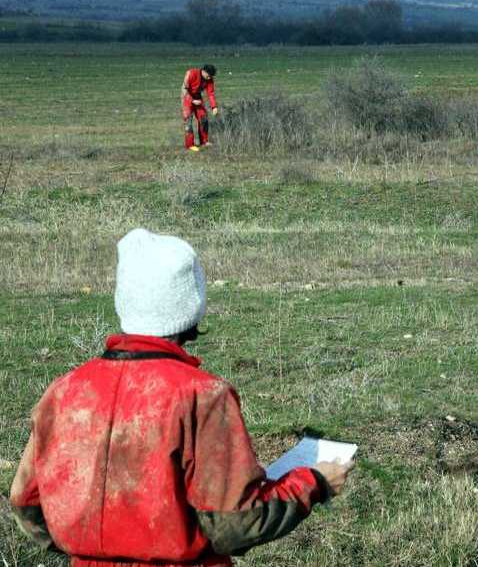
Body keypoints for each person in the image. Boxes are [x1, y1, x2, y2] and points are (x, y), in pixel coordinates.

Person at [9, 228, 353, 567]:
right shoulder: (203, 396)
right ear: (192, 305)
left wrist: (93, 545)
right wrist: (313, 483)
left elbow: (26, 501)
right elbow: (234, 523)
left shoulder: (64, 390)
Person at [182, 64, 219, 152]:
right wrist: (192, 100)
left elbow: (211, 93)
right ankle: (190, 145)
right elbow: (184, 89)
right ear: (204, 71)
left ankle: (204, 141)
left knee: (204, 118)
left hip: (198, 97)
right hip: (187, 96)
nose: (209, 78)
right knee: (188, 120)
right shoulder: (191, 73)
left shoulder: (209, 79)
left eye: (211, 76)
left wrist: (214, 107)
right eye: (208, 75)